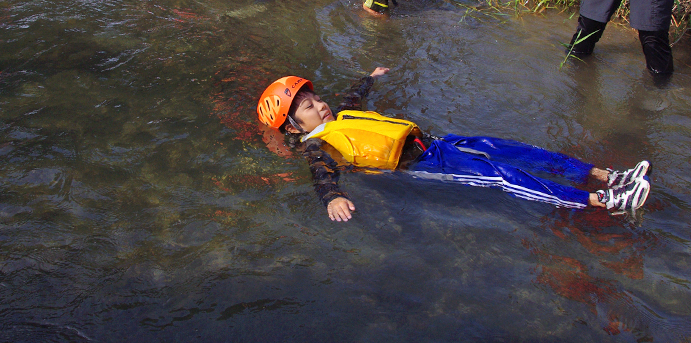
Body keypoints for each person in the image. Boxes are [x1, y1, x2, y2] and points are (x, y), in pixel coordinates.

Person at [257, 70, 652, 222]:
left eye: (316, 98)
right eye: (308, 107)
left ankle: (603, 174)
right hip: (426, 164)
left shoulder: (338, 115)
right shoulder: (316, 148)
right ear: (293, 127)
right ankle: (603, 202)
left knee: (509, 148)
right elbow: (322, 177)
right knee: (503, 176)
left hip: (435, 143)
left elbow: (354, 99)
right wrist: (332, 199)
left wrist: (369, 77)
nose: (320, 105)